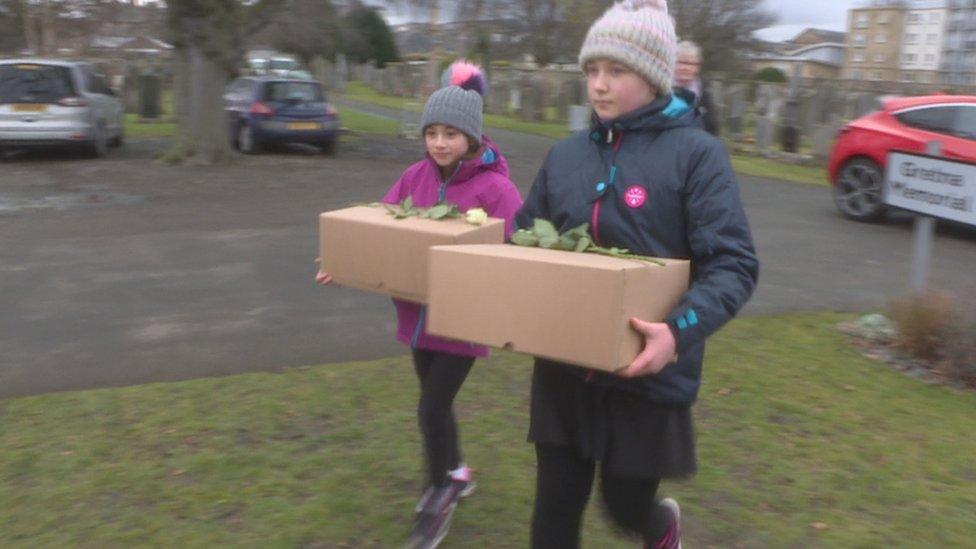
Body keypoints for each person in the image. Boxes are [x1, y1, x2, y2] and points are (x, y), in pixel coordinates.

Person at [514, 1, 759, 547]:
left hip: (646, 376)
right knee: (553, 512)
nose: (598, 86)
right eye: (591, 71)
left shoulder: (698, 155)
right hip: (564, 366)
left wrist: (678, 331)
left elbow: (734, 263)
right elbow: (523, 237)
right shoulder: (565, 156)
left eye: (616, 71)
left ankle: (659, 526)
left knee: (625, 508)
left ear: (651, 76)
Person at [316, 61, 523, 549]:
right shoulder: (414, 177)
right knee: (438, 403)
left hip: (464, 323)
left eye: (451, 133)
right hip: (416, 317)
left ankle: (438, 496)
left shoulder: (497, 189)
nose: (439, 143)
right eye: (432, 132)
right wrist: (340, 261)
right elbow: (378, 226)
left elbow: (517, 253)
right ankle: (459, 472)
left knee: (430, 409)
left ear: (472, 136)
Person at [673, 40, 721, 136]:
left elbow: (712, 128)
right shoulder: (661, 88)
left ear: (698, 67)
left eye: (690, 64)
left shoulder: (704, 91)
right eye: (680, 62)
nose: (685, 68)